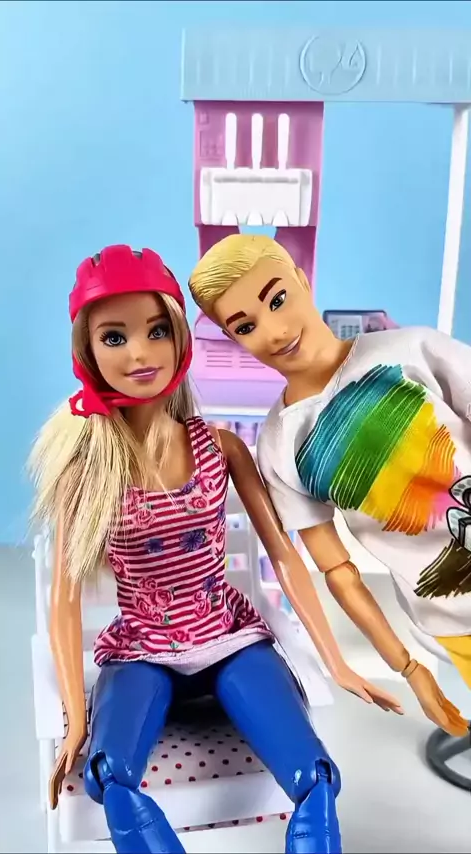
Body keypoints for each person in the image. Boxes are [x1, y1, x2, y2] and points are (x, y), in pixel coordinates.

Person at [29, 244, 398, 854]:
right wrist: (75, 716)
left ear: (179, 336)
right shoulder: (87, 467)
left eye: (156, 331)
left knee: (315, 777)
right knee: (110, 775)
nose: (140, 353)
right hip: (141, 648)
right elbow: (64, 600)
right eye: (115, 337)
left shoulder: (220, 447)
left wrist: (336, 662)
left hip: (228, 636)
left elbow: (283, 554)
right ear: (88, 353)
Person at [188, 233, 471, 733]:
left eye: (278, 299)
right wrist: (409, 668)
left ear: (302, 280)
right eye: (245, 326)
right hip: (454, 615)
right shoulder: (281, 443)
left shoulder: (411, 350)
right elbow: (338, 571)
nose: (275, 331)